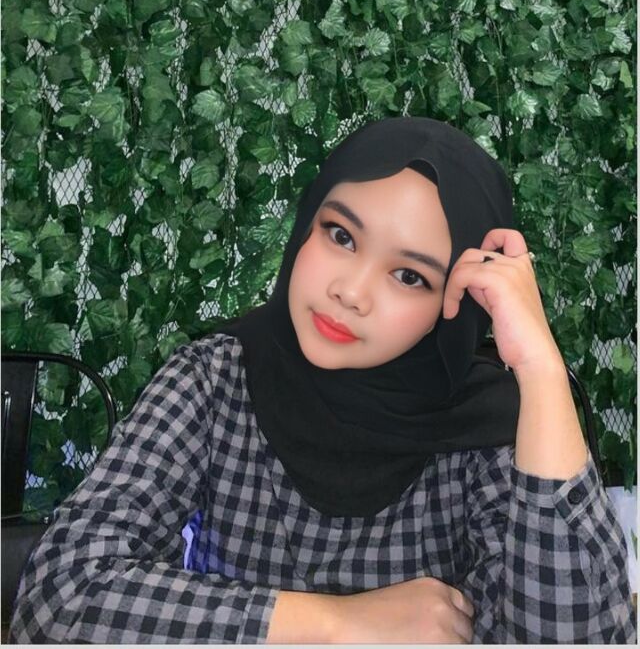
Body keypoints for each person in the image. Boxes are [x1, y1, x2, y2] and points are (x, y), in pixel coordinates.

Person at [10, 117, 636, 643]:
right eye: (341, 235)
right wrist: (337, 623)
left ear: (454, 304)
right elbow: (56, 597)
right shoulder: (215, 379)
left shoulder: (487, 426)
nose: (350, 292)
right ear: (306, 224)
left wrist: (541, 370)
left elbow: (577, 636)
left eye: (410, 276)